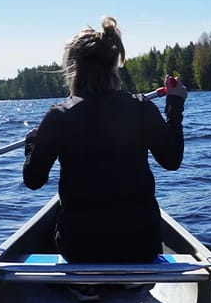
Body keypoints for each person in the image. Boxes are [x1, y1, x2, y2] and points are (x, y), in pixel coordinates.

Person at [22, 16, 188, 264]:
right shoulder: (141, 108)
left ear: (72, 69)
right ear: (113, 65)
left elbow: (33, 180)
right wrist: (174, 105)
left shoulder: (59, 116)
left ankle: (85, 285)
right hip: (142, 247)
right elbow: (172, 160)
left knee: (53, 229)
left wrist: (33, 143)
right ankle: (132, 280)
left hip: (81, 250)